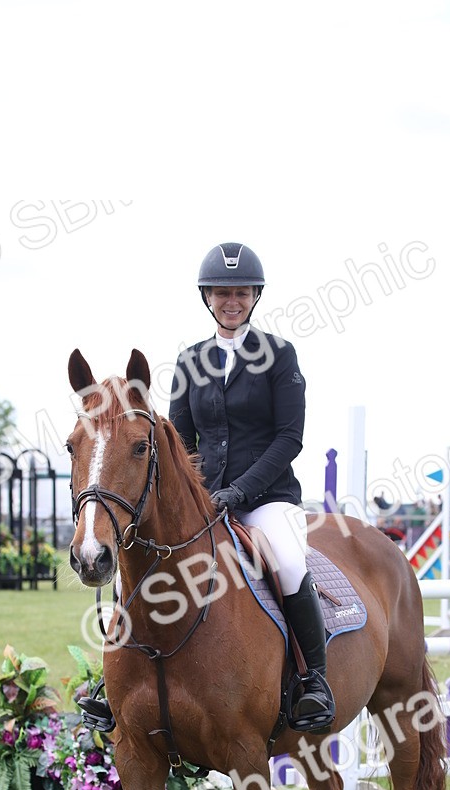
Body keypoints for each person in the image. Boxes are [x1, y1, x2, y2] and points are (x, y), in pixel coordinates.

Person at [169, 242, 335, 732]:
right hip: (205, 501)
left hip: (267, 500)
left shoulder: (280, 356)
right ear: (208, 298)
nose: (231, 301)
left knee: (286, 563)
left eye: (241, 292)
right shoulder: (190, 361)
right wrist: (193, 494)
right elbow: (180, 439)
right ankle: (115, 679)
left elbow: (290, 438)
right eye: (222, 293)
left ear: (255, 296)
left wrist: (239, 492)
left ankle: (314, 683)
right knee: (152, 559)